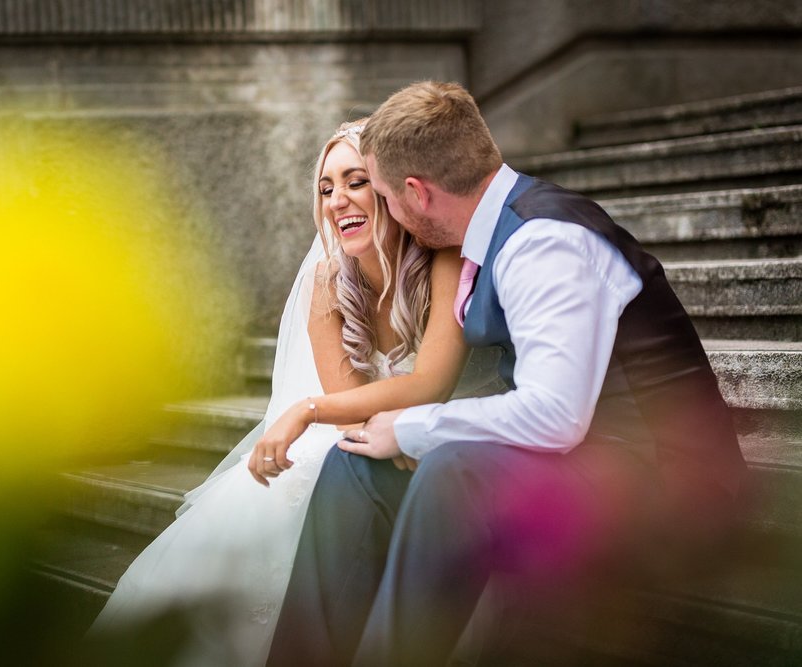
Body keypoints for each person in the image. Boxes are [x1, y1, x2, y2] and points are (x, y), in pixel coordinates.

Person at [267, 82, 748, 667]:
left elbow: (555, 415)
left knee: (453, 467)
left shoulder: (544, 240)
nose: (386, 214)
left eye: (386, 198)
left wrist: (415, 427)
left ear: (416, 193)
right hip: (578, 459)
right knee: (358, 461)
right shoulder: (486, 234)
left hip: (665, 479)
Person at [86, 119, 469, 666]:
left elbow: (430, 382)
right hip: (356, 440)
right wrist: (322, 415)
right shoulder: (327, 281)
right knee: (274, 502)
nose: (338, 200)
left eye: (356, 181)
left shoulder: (444, 262)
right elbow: (350, 418)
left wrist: (307, 410)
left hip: (431, 447)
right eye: (326, 187)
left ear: (389, 188)